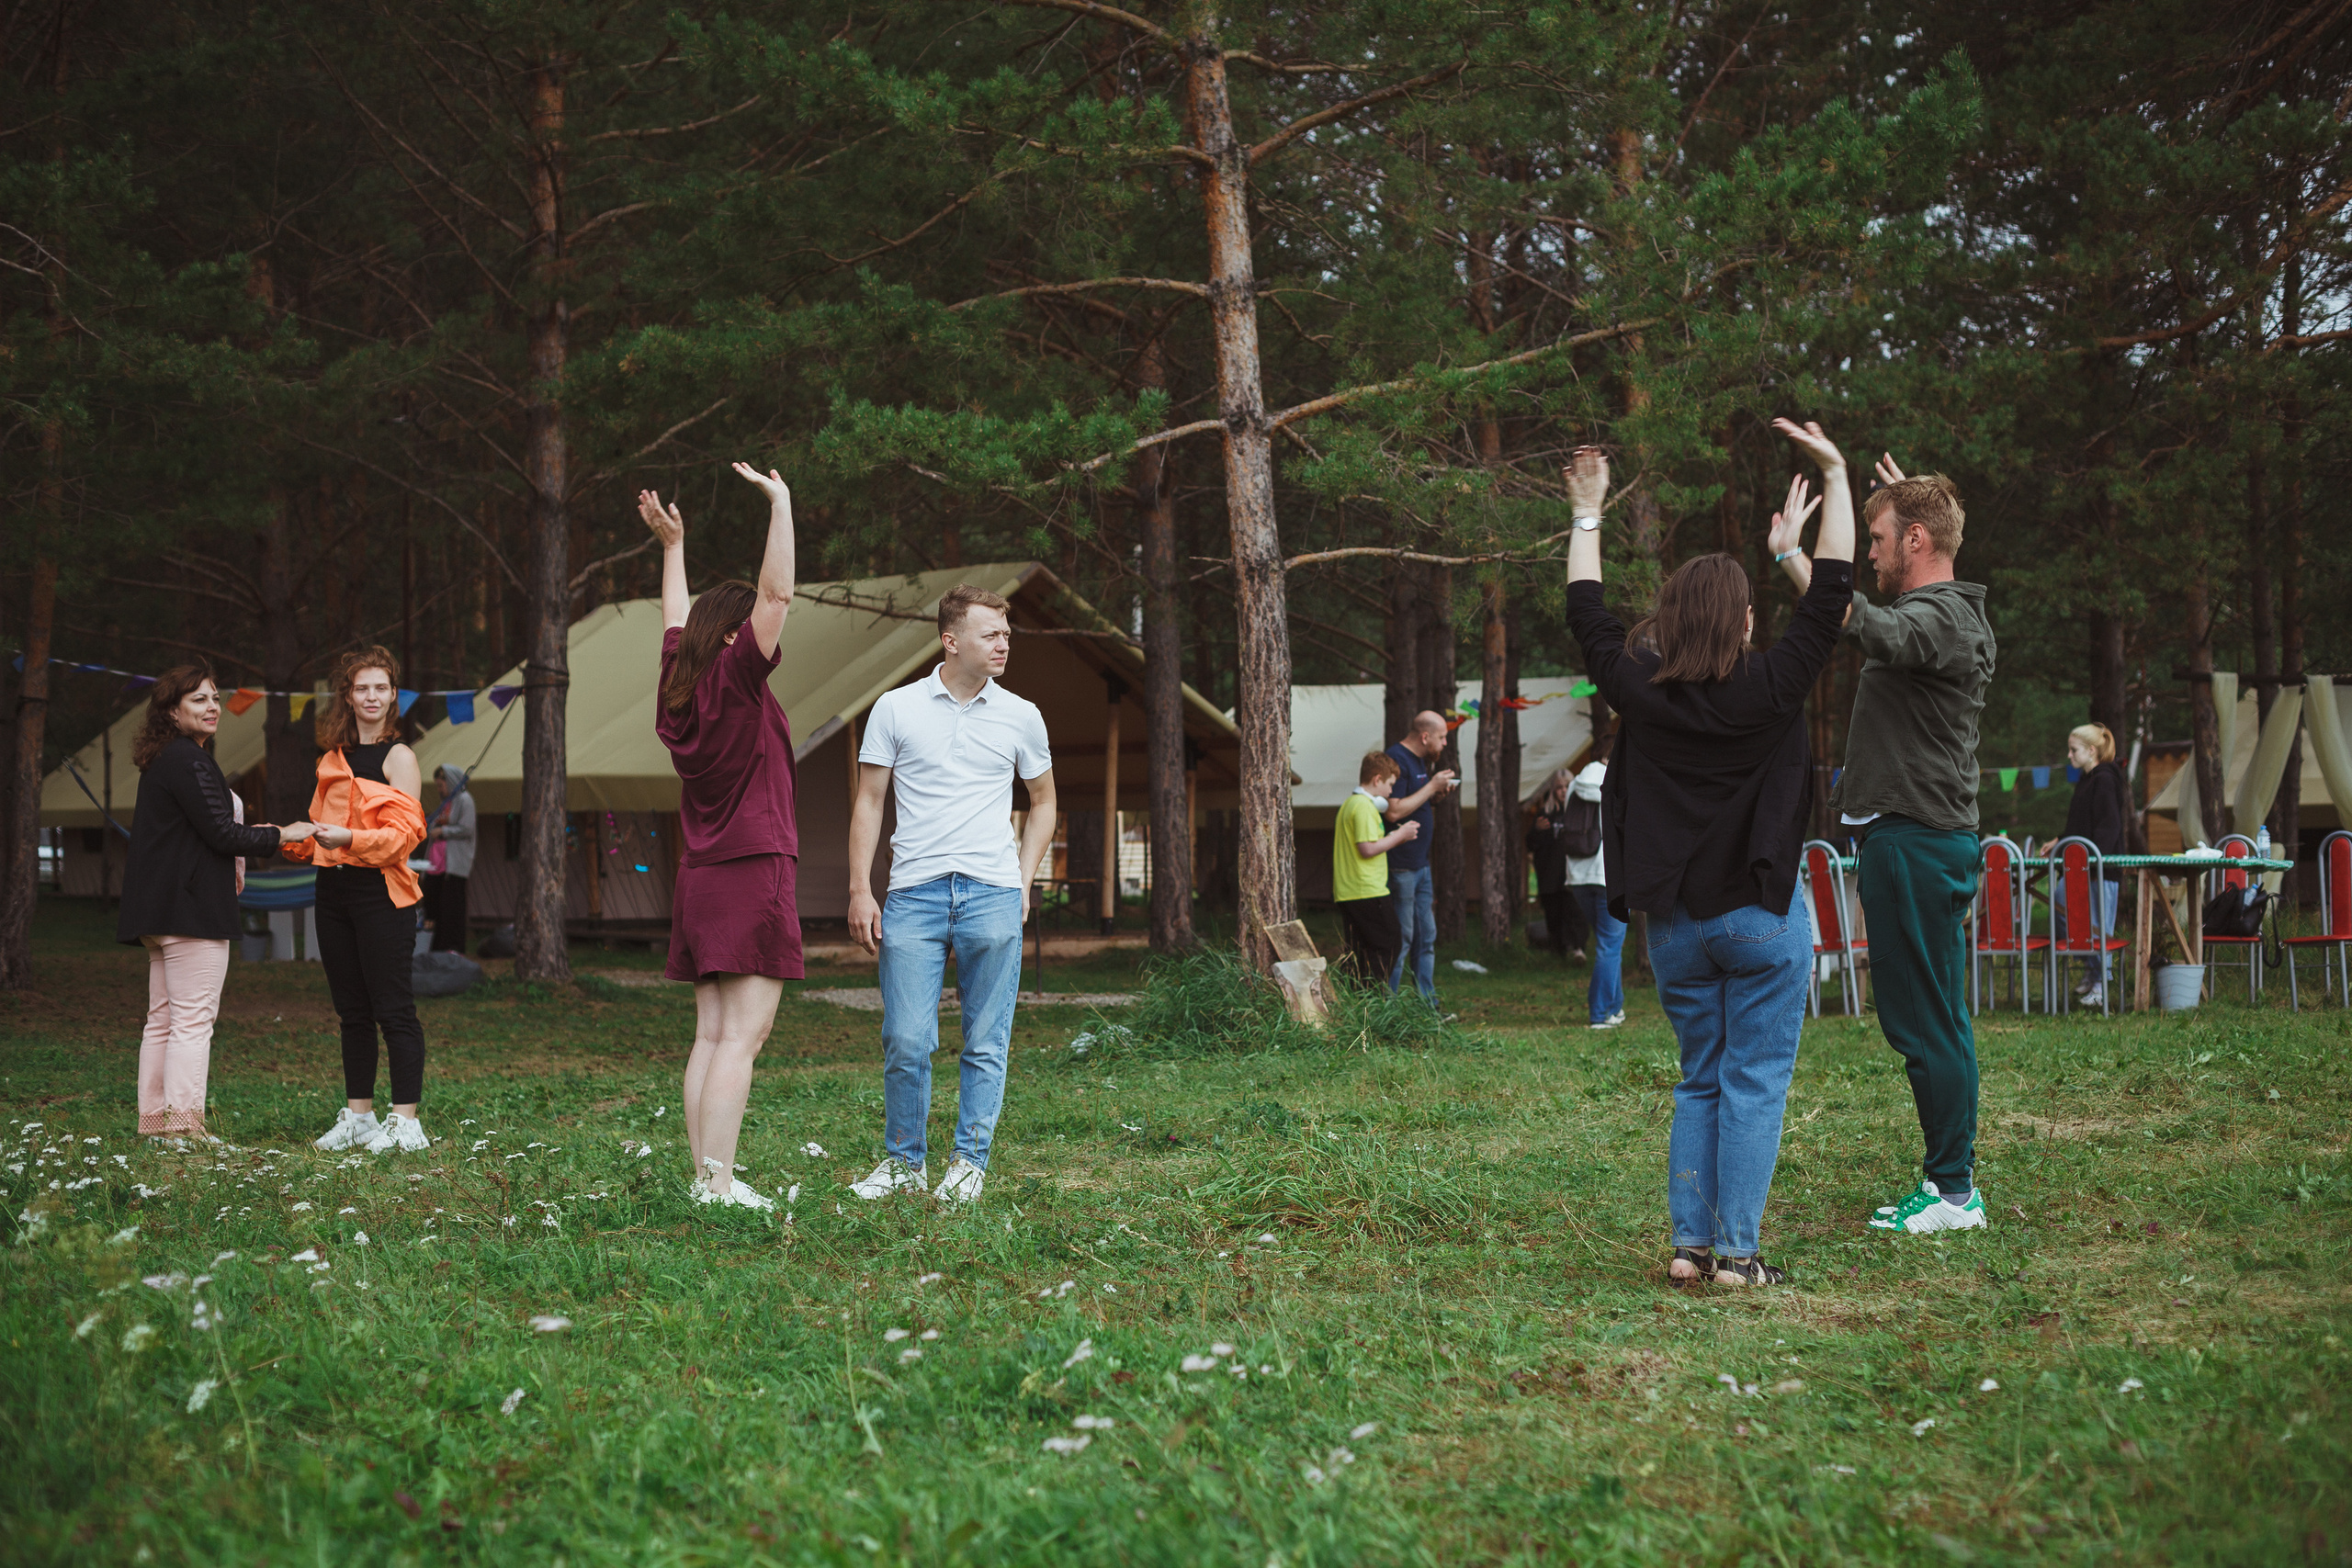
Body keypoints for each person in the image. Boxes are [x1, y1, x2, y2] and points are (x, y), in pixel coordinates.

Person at [1565, 420, 1857, 1288]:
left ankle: (1691, 1250)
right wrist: (1834, 475)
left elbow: (1587, 614)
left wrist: (1586, 513)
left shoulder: (1638, 693)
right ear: (1743, 621)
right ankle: (1737, 1255)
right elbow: (1834, 587)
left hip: (1678, 928)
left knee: (1700, 1080)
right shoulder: (1773, 684)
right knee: (1754, 1082)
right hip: (1762, 917)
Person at [1770, 453, 1997, 1235]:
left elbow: (1864, 623)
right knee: (1936, 1015)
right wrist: (1912, 494)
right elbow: (1876, 614)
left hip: (1916, 840)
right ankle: (1953, 1182)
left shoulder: (1939, 619)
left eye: (1877, 537)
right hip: (1915, 839)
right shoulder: (1947, 614)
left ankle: (1952, 1194)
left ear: (1918, 541)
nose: (1868, 551)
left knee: (1922, 1020)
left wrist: (1795, 559)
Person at [846, 584, 1058, 1206]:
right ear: (951, 640)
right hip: (912, 892)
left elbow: (1044, 803)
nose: (1003, 643)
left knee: (986, 1039)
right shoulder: (895, 707)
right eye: (991, 633)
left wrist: (1022, 880)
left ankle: (969, 1163)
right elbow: (868, 802)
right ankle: (904, 1163)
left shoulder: (1022, 714)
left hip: (993, 892)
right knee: (907, 1037)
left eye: (1007, 634)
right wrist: (861, 888)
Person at [639, 463, 802, 1210]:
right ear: (737, 636)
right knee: (744, 1034)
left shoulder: (680, 686)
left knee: (711, 1034)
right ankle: (718, 1183)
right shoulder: (739, 678)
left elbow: (675, 617)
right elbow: (777, 593)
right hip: (750, 866)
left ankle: (706, 1177)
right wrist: (781, 505)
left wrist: (673, 546)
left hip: (702, 874)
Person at [117, 666, 315, 1139]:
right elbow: (222, 833)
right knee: (190, 1022)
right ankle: (184, 1130)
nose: (212, 708)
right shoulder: (188, 760)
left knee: (163, 1019)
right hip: (190, 910)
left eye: (214, 699)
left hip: (162, 910)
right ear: (171, 711)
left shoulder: (166, 760)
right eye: (198, 700)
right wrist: (283, 833)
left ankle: (155, 1126)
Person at [292, 646, 433, 1155]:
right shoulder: (333, 760)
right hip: (332, 892)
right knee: (351, 1011)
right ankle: (359, 1117)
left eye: (381, 687)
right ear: (348, 697)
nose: (371, 696)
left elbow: (404, 838)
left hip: (383, 895)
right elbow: (316, 832)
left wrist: (347, 839)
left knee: (393, 1007)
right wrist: (281, 838)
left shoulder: (400, 758)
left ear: (393, 696)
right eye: (361, 688)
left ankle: (405, 1123)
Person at [1382, 712, 1459, 1002]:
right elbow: (1393, 810)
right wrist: (1431, 786)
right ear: (1425, 736)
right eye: (1442, 737)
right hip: (1401, 865)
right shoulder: (1396, 759)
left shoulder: (1419, 761)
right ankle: (1387, 1006)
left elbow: (1415, 802)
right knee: (1402, 939)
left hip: (1421, 864)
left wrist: (1436, 795)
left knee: (1426, 938)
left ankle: (1427, 1005)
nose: (1445, 742)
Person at [1333, 751, 1419, 984]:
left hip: (1349, 891)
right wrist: (1400, 835)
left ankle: (1357, 1004)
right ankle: (1373, 999)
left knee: (1360, 951)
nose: (1391, 792)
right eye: (1390, 785)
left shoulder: (1350, 804)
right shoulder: (1363, 806)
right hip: (1367, 890)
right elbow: (1367, 848)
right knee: (1389, 943)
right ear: (1377, 779)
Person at [2060, 722, 2129, 1006]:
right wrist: (2059, 840)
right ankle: (2091, 970)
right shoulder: (2086, 780)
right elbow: (2080, 824)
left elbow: (2108, 827)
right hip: (2081, 868)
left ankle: (2101, 983)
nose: (2069, 756)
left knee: (2099, 923)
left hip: (2100, 867)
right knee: (2060, 900)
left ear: (2091, 751)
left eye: (2073, 750)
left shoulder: (2105, 779)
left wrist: (2092, 859)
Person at [1561, 753, 1626, 1029]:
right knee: (1609, 946)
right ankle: (1599, 1014)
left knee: (1607, 945)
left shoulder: (1574, 787)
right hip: (1609, 876)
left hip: (1577, 878)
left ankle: (1615, 1007)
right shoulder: (1616, 784)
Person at [1525, 769, 1589, 963]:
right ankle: (1558, 951)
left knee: (1576, 912)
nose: (1563, 791)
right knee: (1554, 914)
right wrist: (1537, 830)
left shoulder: (1581, 812)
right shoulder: (1546, 814)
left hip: (1575, 873)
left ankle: (1578, 949)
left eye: (1567, 786)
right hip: (1550, 874)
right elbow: (1530, 843)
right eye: (1559, 787)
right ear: (1553, 791)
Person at [421, 765, 476, 953]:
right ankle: (436, 947)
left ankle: (454, 947)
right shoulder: (445, 803)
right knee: (434, 904)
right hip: (437, 863)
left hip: (454, 863)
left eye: (441, 785)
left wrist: (443, 831)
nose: (439, 789)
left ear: (451, 782)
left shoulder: (464, 800)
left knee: (452, 906)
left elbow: (467, 829)